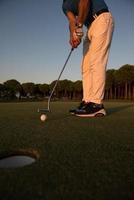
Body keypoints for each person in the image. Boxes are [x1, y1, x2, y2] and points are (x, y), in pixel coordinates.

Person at [62, 0, 114, 117]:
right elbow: (72, 21)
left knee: (96, 62)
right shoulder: (64, 5)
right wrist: (73, 36)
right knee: (85, 66)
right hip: (89, 26)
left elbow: (84, 2)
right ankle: (87, 102)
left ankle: (96, 105)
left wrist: (79, 27)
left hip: (101, 18)